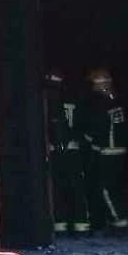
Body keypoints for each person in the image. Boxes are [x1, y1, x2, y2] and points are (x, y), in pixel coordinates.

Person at [78, 66, 128, 232]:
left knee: (105, 189)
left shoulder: (104, 103)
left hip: (108, 151)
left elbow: (99, 127)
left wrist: (87, 140)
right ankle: (114, 221)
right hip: (117, 150)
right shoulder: (117, 100)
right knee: (113, 187)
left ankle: (119, 222)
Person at [42, 69, 88, 236]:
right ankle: (80, 226)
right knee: (76, 189)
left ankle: (62, 226)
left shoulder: (48, 100)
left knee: (59, 189)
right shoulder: (74, 99)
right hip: (73, 150)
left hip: (57, 151)